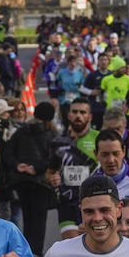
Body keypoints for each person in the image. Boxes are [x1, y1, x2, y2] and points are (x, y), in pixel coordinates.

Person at [5, 100, 57, 255]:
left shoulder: (21, 131)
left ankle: (26, 252)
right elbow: (54, 158)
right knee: (40, 220)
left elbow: (7, 153)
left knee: (27, 218)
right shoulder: (52, 135)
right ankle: (37, 253)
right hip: (41, 182)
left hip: (22, 181)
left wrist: (18, 165)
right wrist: (37, 168)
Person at [49, 97, 100, 240]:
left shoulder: (98, 138)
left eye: (83, 112)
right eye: (75, 112)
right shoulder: (58, 142)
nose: (78, 116)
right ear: (69, 115)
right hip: (67, 202)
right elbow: (50, 172)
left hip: (93, 200)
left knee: (91, 245)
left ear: (89, 117)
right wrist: (52, 178)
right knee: (71, 244)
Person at [92, 129, 129, 201]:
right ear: (96, 154)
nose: (111, 160)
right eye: (105, 155)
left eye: (116, 154)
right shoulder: (90, 184)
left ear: (124, 151)